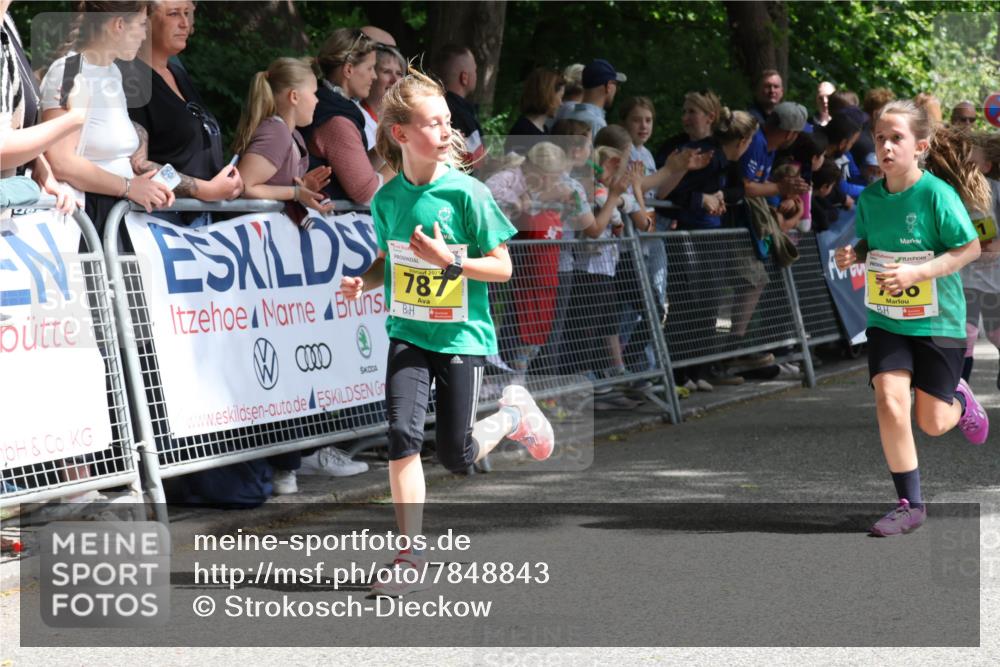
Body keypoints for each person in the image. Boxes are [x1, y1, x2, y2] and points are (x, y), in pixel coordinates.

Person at [339, 67, 554, 596]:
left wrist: (449, 262)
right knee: (402, 436)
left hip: (461, 337)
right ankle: (407, 557)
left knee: (456, 455)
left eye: (447, 122)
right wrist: (364, 281)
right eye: (432, 123)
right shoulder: (387, 199)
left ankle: (512, 415)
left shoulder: (468, 194)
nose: (445, 132)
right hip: (408, 333)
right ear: (401, 133)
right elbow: (389, 260)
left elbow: (503, 267)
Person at [834, 100, 990, 537]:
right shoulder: (870, 198)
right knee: (889, 400)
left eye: (896, 138)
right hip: (887, 317)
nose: (885, 146)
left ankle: (961, 401)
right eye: (880, 138)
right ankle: (910, 504)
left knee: (933, 422)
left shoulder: (937, 195)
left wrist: (917, 273)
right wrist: (854, 253)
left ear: (920, 146)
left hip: (938, 319)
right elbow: (871, 243)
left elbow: (969, 249)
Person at [233, 57, 368, 492]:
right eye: (313, 93)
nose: (317, 101)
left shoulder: (288, 133)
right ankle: (281, 463)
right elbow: (246, 185)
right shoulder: (275, 130)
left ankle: (288, 461)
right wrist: (294, 190)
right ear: (294, 96)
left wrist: (300, 187)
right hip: (265, 266)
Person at [40, 1, 176, 231]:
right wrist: (128, 186)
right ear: (119, 24)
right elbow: (61, 162)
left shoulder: (113, 72)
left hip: (112, 216)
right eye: (141, 25)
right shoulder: (69, 71)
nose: (145, 35)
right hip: (83, 220)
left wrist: (140, 185)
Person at [122, 0, 242, 226]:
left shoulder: (178, 73)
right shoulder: (132, 78)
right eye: (174, 14)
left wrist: (228, 184)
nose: (185, 23)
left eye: (187, 13)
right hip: (163, 220)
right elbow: (138, 165)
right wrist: (204, 189)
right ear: (145, 20)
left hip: (201, 220)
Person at [303, 27, 392, 205]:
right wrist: (411, 162)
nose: (374, 76)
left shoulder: (331, 105)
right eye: (370, 68)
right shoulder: (336, 120)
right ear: (349, 69)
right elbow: (367, 193)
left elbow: (357, 170)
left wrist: (391, 144)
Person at [959, 132, 1000, 387]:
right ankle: (958, 393)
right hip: (967, 278)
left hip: (996, 278)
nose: (966, 164)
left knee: (997, 334)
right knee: (967, 334)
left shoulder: (996, 190)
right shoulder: (954, 192)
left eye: (972, 161)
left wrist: (996, 245)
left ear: (986, 166)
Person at [435, 44, 486, 167]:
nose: (476, 74)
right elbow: (477, 163)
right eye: (475, 70)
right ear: (464, 78)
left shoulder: (434, 107)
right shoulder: (461, 116)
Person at [504, 67, 564, 156]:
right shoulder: (524, 132)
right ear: (548, 96)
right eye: (560, 97)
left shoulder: (543, 129)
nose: (561, 104)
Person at [563, 59, 626, 138]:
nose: (617, 89)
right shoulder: (596, 123)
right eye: (616, 84)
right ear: (609, 86)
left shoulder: (568, 114)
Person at [362, 42, 405, 121]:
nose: (394, 80)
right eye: (387, 72)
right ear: (372, 74)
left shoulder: (404, 119)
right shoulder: (357, 116)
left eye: (399, 73)